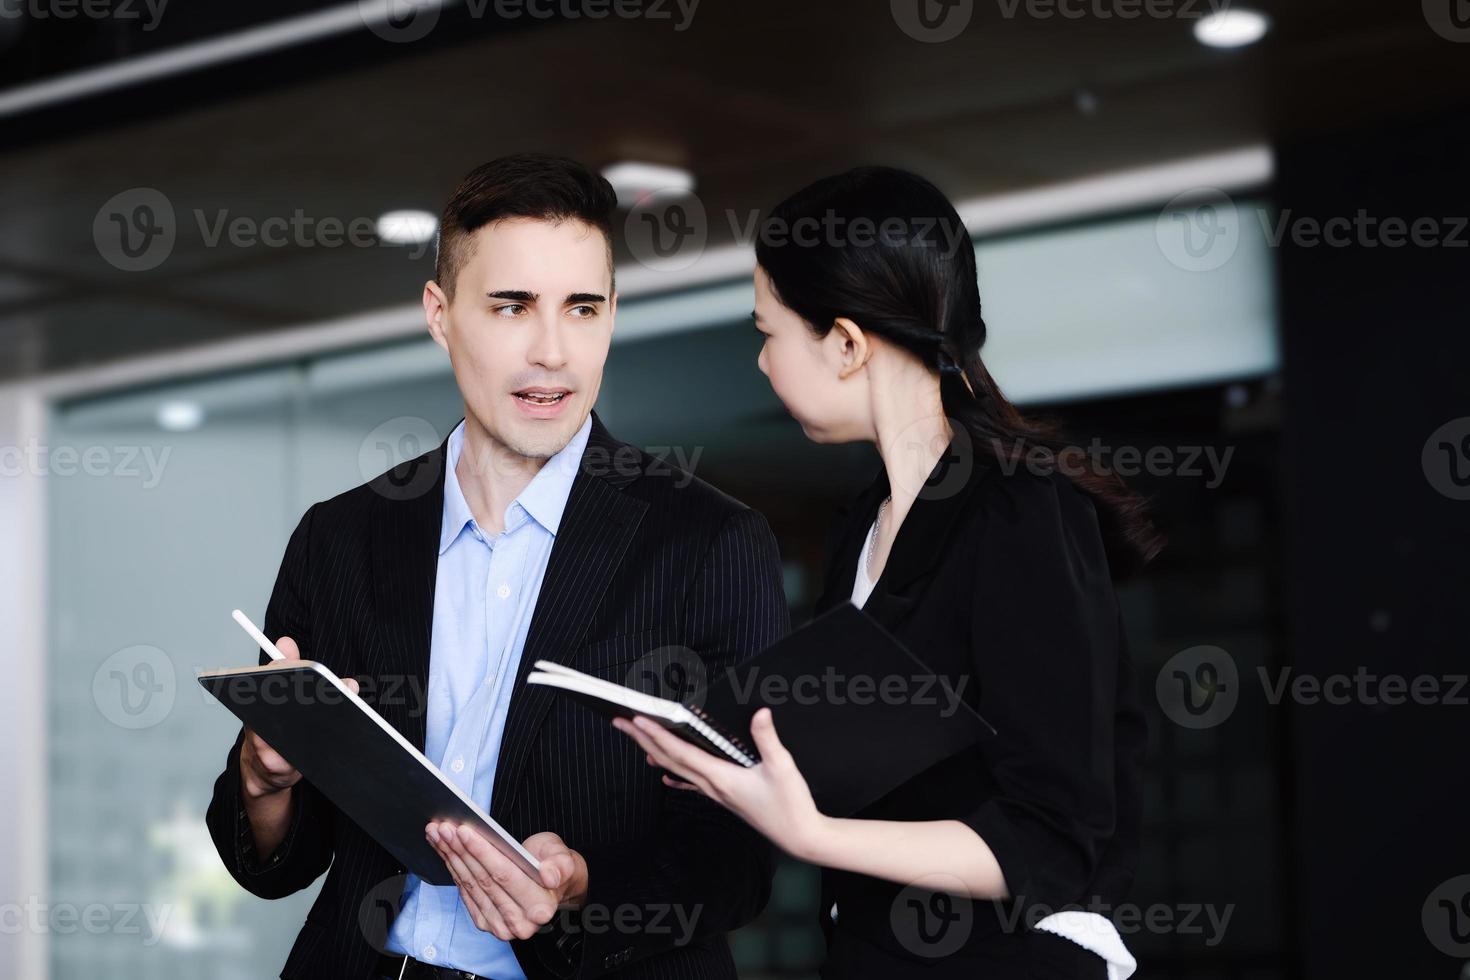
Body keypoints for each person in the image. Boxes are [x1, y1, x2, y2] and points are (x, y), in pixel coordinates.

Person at [205, 154, 789, 980]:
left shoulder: (709, 544)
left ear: (613, 315)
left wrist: (585, 887)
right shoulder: (339, 539)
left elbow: (741, 858)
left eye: (582, 308)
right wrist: (265, 778)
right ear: (440, 315)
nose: (552, 351)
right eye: (512, 307)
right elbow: (274, 863)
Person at [615, 166, 1159, 979]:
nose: (762, 362)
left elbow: (1050, 840)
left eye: (768, 332)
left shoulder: (1019, 513)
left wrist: (811, 833)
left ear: (844, 344)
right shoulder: (861, 528)